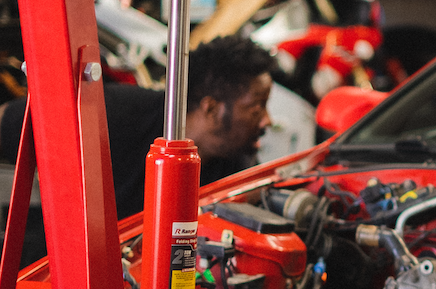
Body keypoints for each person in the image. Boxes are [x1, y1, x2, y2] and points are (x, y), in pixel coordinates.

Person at [0, 34, 275, 221]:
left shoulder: (235, 165)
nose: (267, 121)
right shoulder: (113, 115)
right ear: (211, 108)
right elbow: (8, 121)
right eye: (256, 108)